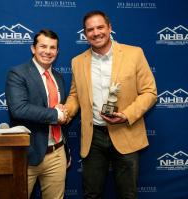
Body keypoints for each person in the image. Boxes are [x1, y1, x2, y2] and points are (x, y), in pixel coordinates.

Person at [65, 10, 157, 198]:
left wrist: (126, 115)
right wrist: (65, 112)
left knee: (127, 194)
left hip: (125, 131)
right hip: (94, 137)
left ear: (110, 28)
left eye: (100, 27)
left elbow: (150, 92)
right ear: (85, 34)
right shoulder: (77, 62)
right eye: (90, 29)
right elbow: (75, 95)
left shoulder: (134, 53)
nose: (96, 32)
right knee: (91, 194)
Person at [5, 29, 70, 199]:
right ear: (33, 48)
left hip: (57, 153)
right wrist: (56, 115)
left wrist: (64, 115)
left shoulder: (59, 77)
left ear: (57, 51)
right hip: (29, 154)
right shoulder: (18, 73)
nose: (48, 52)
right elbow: (18, 109)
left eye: (52, 48)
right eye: (43, 46)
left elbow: (61, 112)